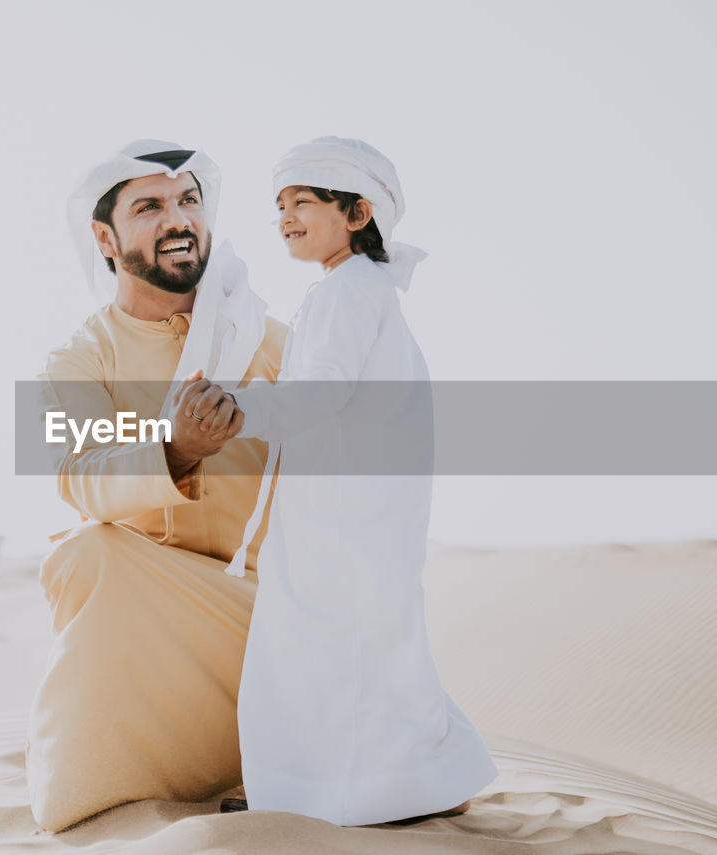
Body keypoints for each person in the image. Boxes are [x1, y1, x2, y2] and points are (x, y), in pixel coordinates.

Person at [203, 137, 499, 825]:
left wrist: (233, 404)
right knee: (369, 643)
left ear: (359, 211)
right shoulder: (351, 292)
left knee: (318, 646)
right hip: (351, 510)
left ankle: (308, 790)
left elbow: (322, 394)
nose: (285, 218)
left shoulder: (349, 293)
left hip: (343, 516)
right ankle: (415, 777)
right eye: (279, 206)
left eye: (303, 201)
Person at [25, 140, 287, 832]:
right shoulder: (77, 361)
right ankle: (112, 795)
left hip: (271, 618)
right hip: (151, 616)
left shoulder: (273, 343)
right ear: (105, 238)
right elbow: (77, 479)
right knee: (86, 554)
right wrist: (173, 451)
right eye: (150, 207)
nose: (178, 219)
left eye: (188, 201)